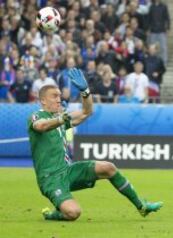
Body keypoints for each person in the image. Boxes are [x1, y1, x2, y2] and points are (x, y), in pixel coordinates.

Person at [27, 68, 162, 221]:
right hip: (50, 178)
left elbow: (86, 111)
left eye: (59, 95)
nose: (59, 99)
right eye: (54, 96)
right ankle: (52, 215)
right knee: (73, 213)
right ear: (43, 100)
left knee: (108, 167)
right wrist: (61, 118)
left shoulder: (61, 119)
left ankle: (141, 206)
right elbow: (41, 126)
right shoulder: (36, 115)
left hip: (68, 171)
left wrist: (85, 92)